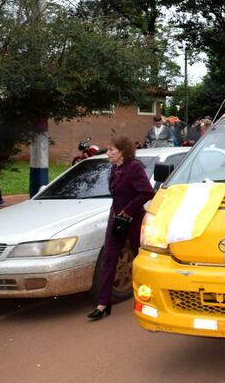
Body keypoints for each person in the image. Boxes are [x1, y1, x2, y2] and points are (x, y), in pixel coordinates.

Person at [88, 135, 155, 320]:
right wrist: (116, 215)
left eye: (111, 150)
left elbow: (147, 192)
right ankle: (103, 303)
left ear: (122, 152)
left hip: (133, 221)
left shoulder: (134, 168)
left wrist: (127, 211)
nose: (107, 153)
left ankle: (150, 297)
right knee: (109, 260)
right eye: (108, 150)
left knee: (141, 259)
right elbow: (116, 196)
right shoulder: (114, 169)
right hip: (116, 220)